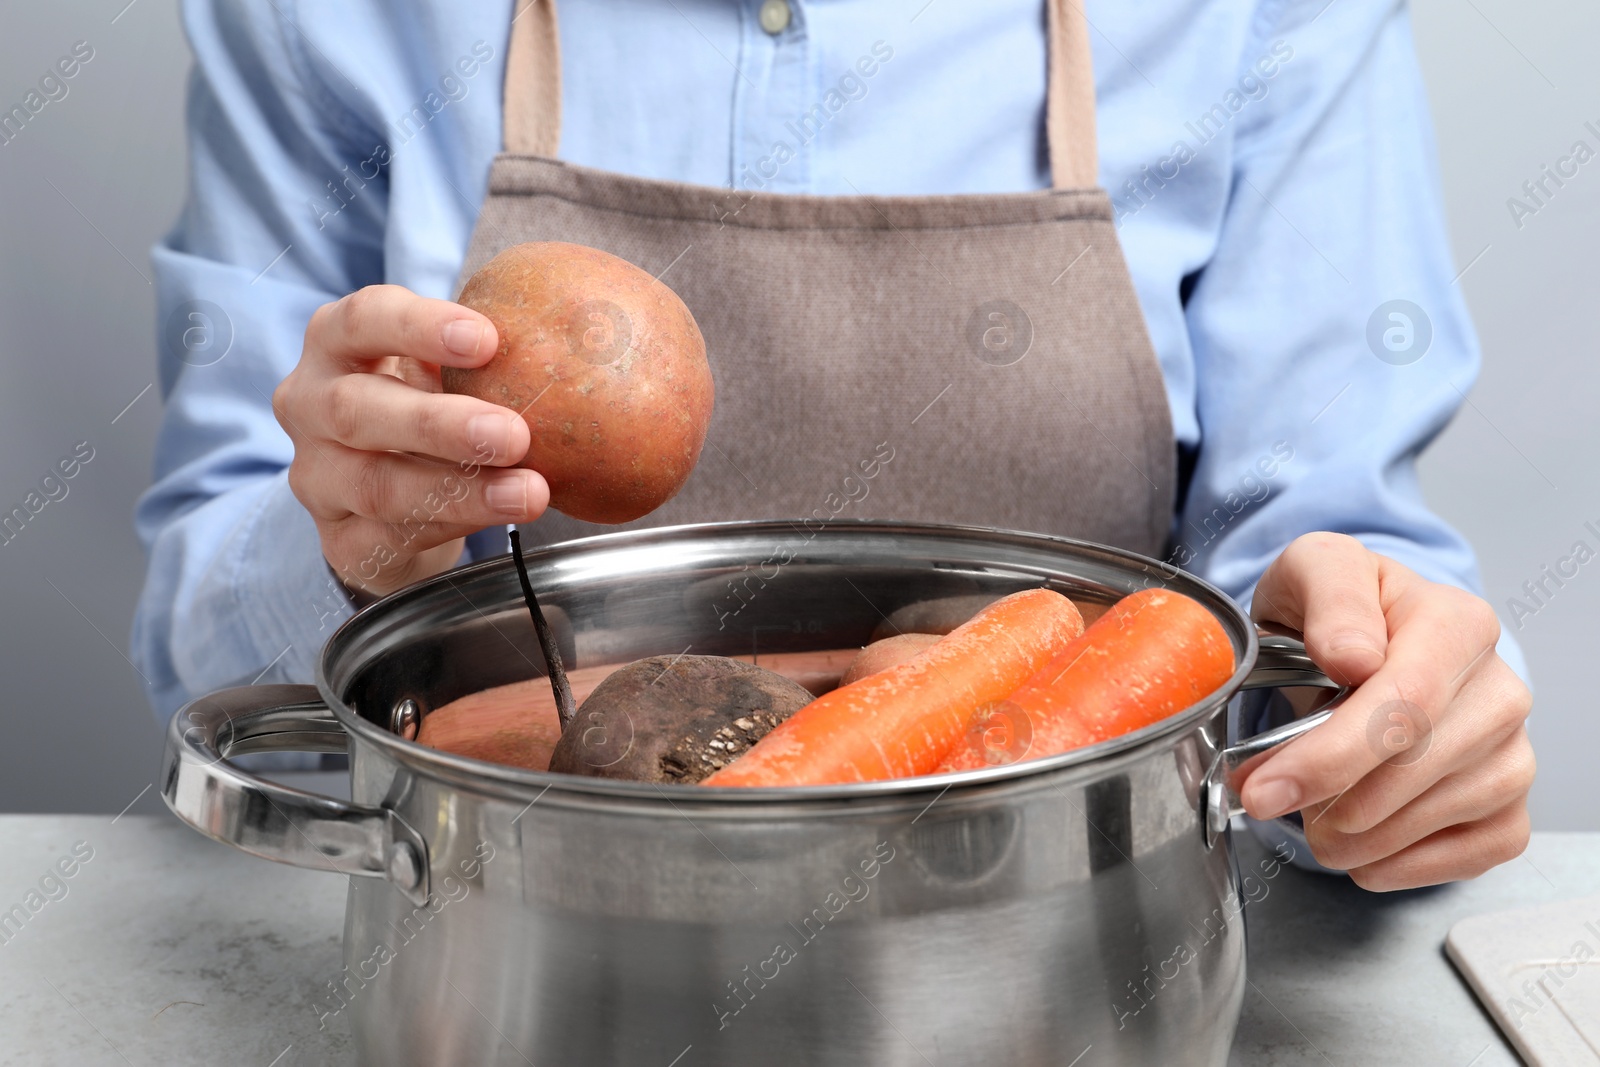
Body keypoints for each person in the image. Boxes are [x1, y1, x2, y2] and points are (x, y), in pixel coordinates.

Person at [133, 0, 1534, 891]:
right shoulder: (321, 16)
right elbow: (211, 666)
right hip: (526, 962)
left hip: (1069, 962)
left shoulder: (1267, 17)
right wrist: (346, 546)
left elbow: (1328, 579)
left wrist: (1387, 721)